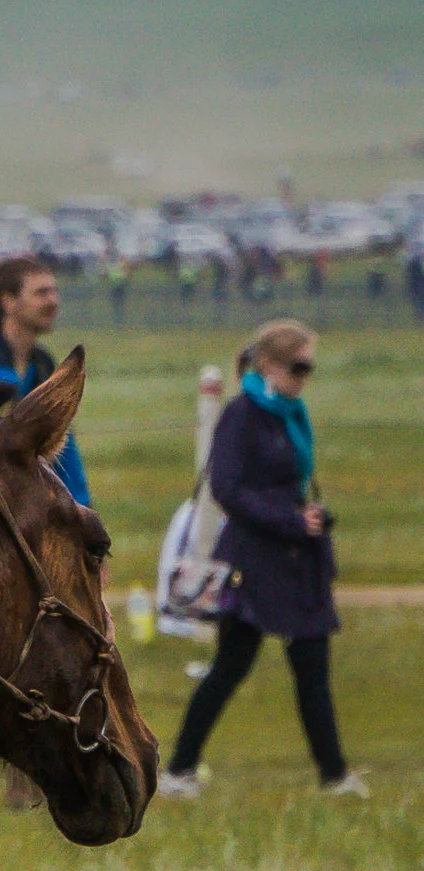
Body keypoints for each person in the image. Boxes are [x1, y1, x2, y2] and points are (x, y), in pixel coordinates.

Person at [160, 320, 362, 799]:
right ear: (268, 365)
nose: (304, 377)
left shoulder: (290, 414)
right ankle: (178, 771)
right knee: (230, 667)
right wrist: (290, 520)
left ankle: (334, 776)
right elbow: (227, 488)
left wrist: (307, 516)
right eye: (298, 366)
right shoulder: (241, 414)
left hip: (299, 561)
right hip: (255, 562)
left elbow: (288, 481)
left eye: (310, 367)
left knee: (313, 668)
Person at [0, 256, 93, 506]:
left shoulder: (44, 364)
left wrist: (79, 506)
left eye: (54, 291)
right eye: (41, 293)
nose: (53, 301)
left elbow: (63, 445)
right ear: (8, 301)